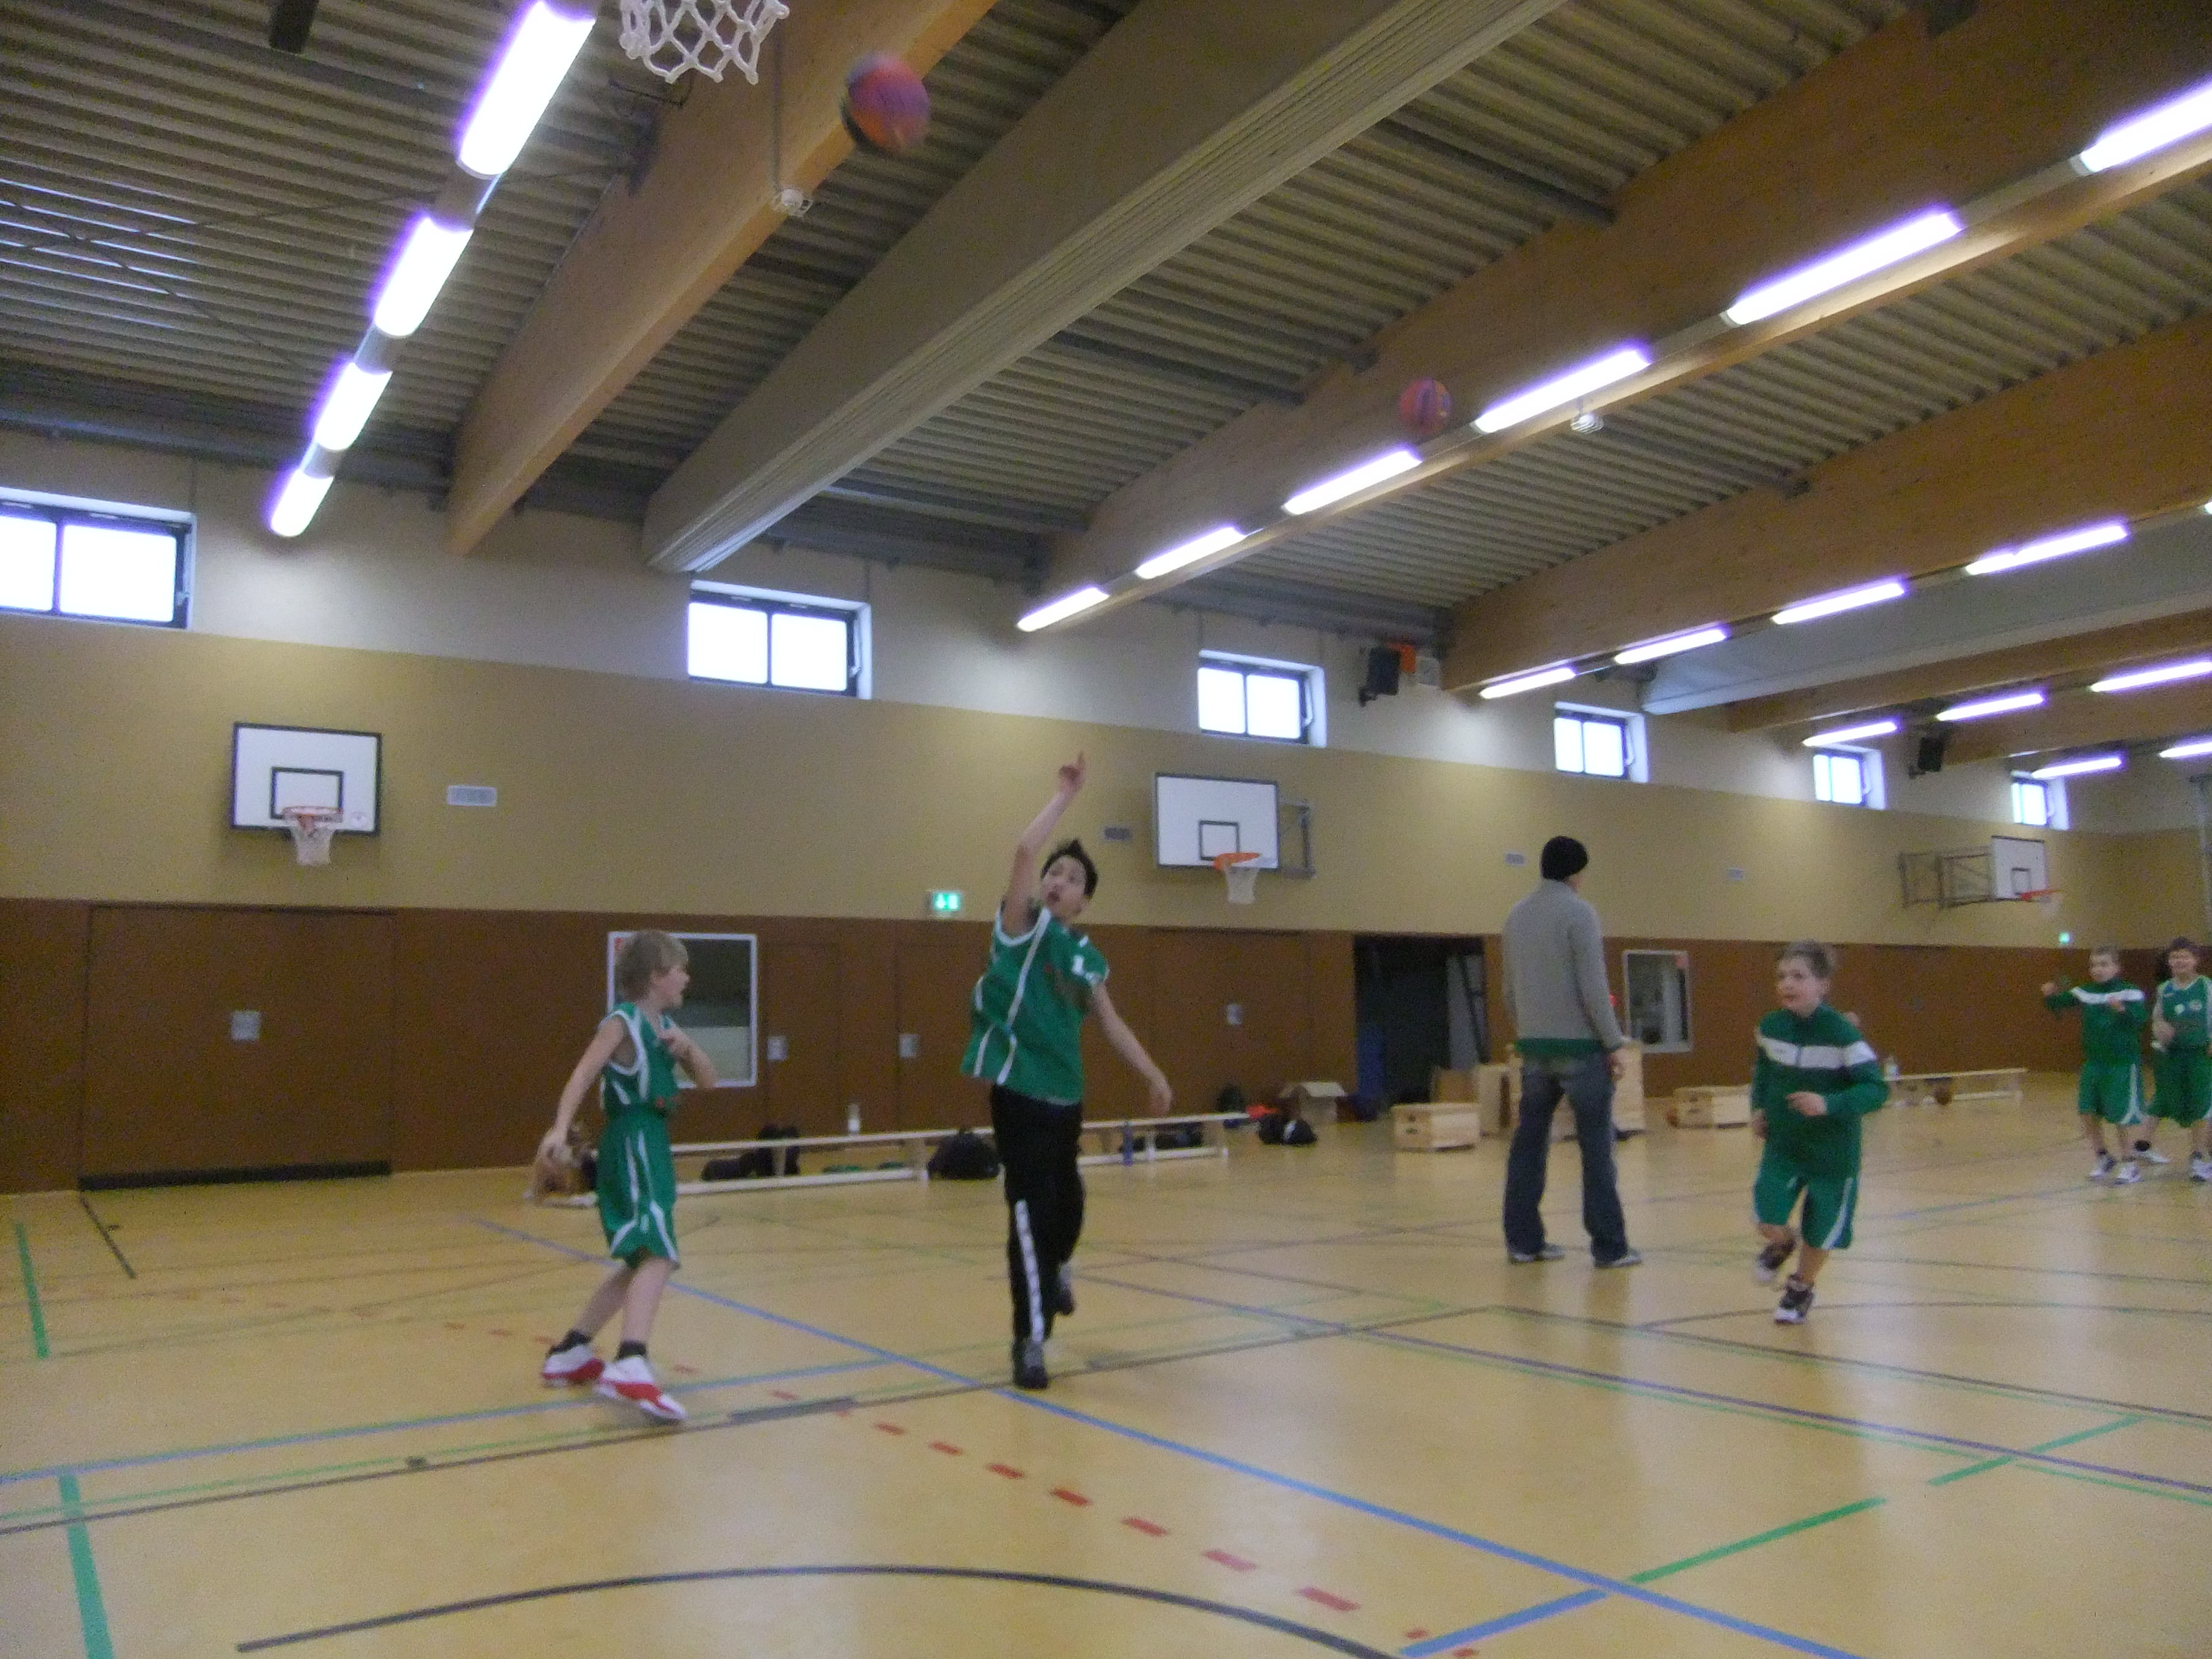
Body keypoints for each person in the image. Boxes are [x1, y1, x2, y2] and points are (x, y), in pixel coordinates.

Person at [963, 754, 1171, 1390]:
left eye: (1072, 877)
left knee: (1069, 1208)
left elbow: (1111, 1023)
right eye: (1054, 873)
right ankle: (1030, 1340)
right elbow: (1025, 850)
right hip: (1017, 1094)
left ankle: (1058, 1270)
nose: (1057, 880)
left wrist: (1153, 1074)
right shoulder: (1019, 928)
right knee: (1028, 1216)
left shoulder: (1085, 956)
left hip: (1065, 1099)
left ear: (1085, 901)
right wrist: (1064, 796)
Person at [535, 930, 716, 1422]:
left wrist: (688, 1049)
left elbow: (708, 1080)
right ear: (656, 977)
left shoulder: (667, 1028)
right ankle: (631, 1361)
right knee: (659, 1251)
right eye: (680, 970)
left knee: (640, 1258)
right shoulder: (622, 1023)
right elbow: (582, 1074)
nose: (687, 978)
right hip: (633, 1138)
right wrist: (559, 1129)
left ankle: (571, 1351)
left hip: (651, 1139)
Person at [1500, 835, 1638, 1267]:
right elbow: (1593, 987)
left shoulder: (1516, 916)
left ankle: (1524, 1242)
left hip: (1534, 1050)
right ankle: (1609, 1247)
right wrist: (1613, 1042)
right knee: (1596, 1150)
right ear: (1577, 873)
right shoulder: (1580, 913)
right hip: (1581, 1050)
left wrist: (1528, 1033)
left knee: (1528, 1145)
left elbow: (1509, 991)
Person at [1751, 941, 1888, 1324]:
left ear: (1823, 985)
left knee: (1821, 1230)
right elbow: (1763, 1071)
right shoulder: (1771, 1028)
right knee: (1767, 1215)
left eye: (1798, 976)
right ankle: (1782, 1243)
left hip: (1833, 1154)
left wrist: (1829, 1103)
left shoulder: (1843, 1034)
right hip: (1784, 1147)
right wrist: (1758, 1108)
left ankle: (1800, 1287)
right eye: (1782, 977)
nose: (1787, 984)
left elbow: (1876, 1089)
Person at [2041, 946, 2148, 1185]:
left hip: (2121, 1064)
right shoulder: (2085, 992)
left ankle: (2130, 1163)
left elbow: (2140, 1020)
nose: (2098, 969)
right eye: (2094, 965)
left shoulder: (2130, 992)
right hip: (2094, 1063)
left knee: (2121, 1115)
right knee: (2087, 1110)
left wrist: (2122, 1010)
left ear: (2116, 967)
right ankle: (2103, 1156)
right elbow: (2058, 1004)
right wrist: (2049, 995)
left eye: (2104, 964)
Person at [2148, 937, 2212, 1182]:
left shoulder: (2206, 986)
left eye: (2185, 956)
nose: (2179, 961)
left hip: (2201, 1055)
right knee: (2175, 1103)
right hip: (2174, 1057)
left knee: (2202, 1106)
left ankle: (2197, 1157)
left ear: (2196, 960)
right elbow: (2157, 1018)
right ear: (2169, 961)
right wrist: (2159, 1028)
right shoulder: (2165, 989)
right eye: (2175, 957)